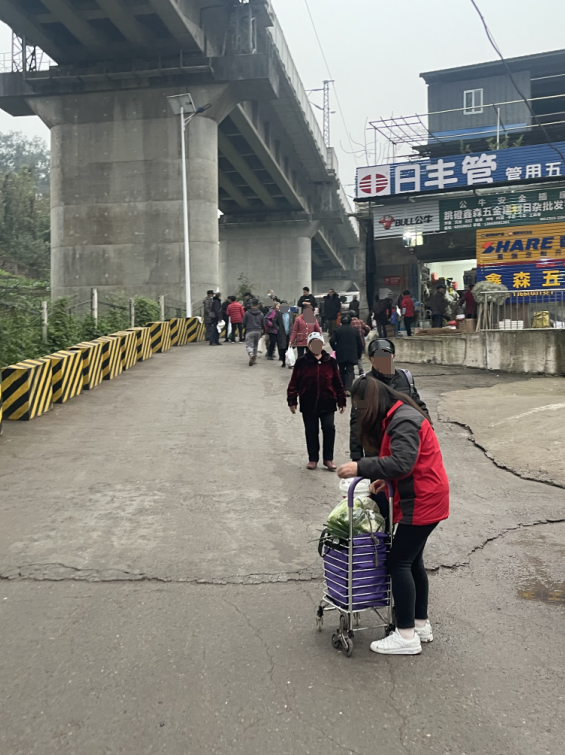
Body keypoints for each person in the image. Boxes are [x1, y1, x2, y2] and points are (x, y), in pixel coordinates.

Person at [337, 379, 449, 655]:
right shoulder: (397, 415)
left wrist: (360, 466)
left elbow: (402, 462)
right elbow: (403, 464)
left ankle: (406, 635)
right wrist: (382, 481)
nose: (362, 415)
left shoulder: (403, 421)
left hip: (421, 500)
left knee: (398, 563)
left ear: (372, 403)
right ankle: (420, 625)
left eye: (362, 409)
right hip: (426, 497)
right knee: (412, 562)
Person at [350, 336, 428, 462]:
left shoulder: (405, 378)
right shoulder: (363, 385)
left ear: (393, 357)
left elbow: (418, 407)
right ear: (371, 359)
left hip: (403, 441)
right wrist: (356, 455)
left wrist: (427, 433)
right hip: (375, 446)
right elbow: (357, 420)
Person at [287, 332, 346, 471]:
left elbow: (338, 382)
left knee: (329, 429)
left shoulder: (330, 361)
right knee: (311, 431)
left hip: (328, 403)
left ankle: (328, 459)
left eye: (318, 343)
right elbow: (294, 382)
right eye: (313, 344)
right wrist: (292, 400)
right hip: (308, 403)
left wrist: (341, 400)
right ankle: (313, 459)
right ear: (309, 345)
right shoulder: (302, 361)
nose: (316, 346)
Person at [330, 313, 363, 396]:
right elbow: (360, 344)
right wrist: (359, 355)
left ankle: (341, 387)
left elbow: (332, 341)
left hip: (341, 353)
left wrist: (335, 348)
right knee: (350, 371)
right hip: (352, 354)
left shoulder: (337, 330)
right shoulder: (355, 331)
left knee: (341, 370)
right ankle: (348, 388)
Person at [241, 299, 264, 365]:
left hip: (249, 330)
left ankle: (251, 354)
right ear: (258, 306)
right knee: (255, 345)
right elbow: (263, 324)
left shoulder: (247, 313)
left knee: (249, 344)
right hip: (258, 331)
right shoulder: (261, 314)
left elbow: (244, 322)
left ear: (251, 305)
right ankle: (254, 358)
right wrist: (263, 331)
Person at [349, 309, 370, 376]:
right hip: (361, 342)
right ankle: (361, 369)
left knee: (351, 356)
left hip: (352, 343)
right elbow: (368, 328)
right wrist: (364, 334)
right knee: (359, 357)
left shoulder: (349, 323)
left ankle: (351, 370)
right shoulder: (360, 321)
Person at [274, 302, 295, 367]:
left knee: (289, 347)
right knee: (282, 348)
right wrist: (278, 328)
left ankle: (289, 362)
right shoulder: (279, 314)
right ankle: (283, 361)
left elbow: (294, 322)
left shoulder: (291, 314)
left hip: (289, 333)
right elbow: (274, 322)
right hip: (281, 333)